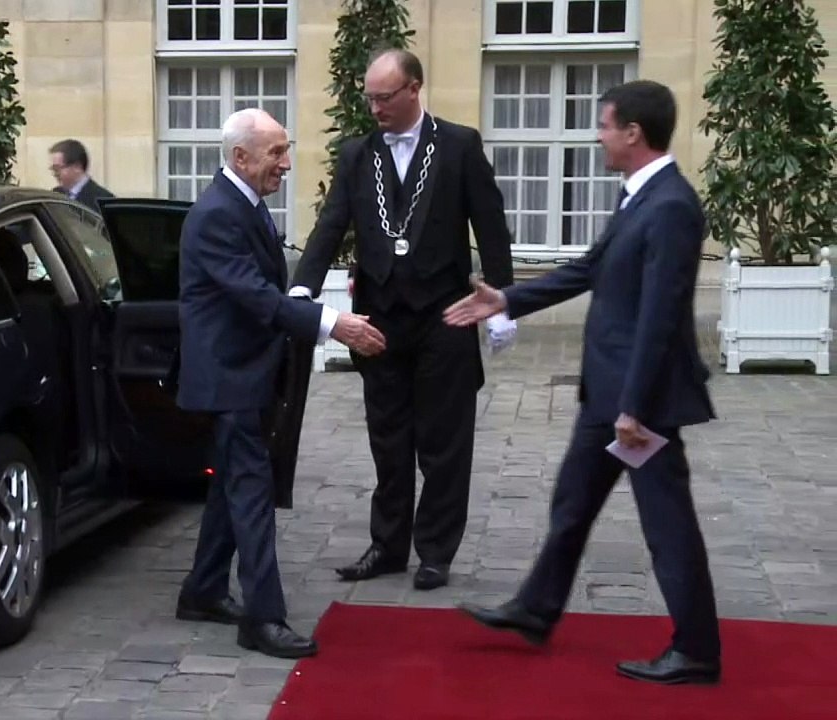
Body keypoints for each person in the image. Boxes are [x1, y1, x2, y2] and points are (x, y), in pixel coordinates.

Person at [444, 79, 721, 685]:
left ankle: (697, 649)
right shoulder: (639, 197)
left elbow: (660, 317)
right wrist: (507, 300)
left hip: (639, 402)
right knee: (572, 502)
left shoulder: (671, 206)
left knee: (667, 522)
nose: (597, 137)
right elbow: (591, 269)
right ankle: (536, 608)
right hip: (608, 393)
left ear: (633, 133)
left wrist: (634, 405)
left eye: (603, 125)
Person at [289, 48, 515, 589]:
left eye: (384, 97)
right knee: (387, 441)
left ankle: (435, 551)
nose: (375, 108)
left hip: (446, 315)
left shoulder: (459, 145)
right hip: (380, 320)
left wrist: (504, 302)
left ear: (415, 88)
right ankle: (387, 546)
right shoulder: (356, 154)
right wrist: (301, 287)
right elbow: (331, 224)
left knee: (444, 442)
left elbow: (490, 225)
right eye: (369, 98)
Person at [174, 108, 386, 659]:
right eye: (277, 152)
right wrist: (333, 322)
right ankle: (263, 618)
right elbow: (253, 294)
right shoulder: (218, 213)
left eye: (286, 150)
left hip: (247, 372)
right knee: (251, 494)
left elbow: (264, 287)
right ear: (240, 157)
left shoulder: (243, 203)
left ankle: (202, 590)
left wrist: (301, 303)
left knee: (232, 485)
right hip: (230, 378)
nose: (287, 163)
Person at [49, 139, 114, 210]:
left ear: (77, 166)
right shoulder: (54, 196)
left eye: (57, 168)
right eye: (53, 169)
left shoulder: (104, 200)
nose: (54, 174)